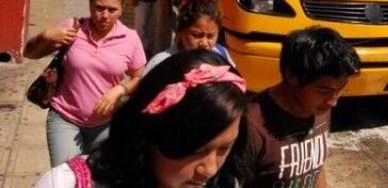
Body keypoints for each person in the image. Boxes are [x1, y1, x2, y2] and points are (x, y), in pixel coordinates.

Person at [35, 49, 249, 188]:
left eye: (224, 149)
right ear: (150, 133)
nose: (209, 169)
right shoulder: (66, 184)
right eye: (195, 150)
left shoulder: (227, 182)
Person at [24, 0, 147, 167]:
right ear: (90, 5)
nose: (104, 15)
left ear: (122, 9)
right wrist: (45, 35)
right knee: (67, 179)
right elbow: (29, 53)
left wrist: (121, 90)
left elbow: (139, 76)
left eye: (112, 10)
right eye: (99, 8)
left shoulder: (130, 38)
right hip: (65, 119)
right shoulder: (73, 28)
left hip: (105, 126)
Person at [242, 26, 361, 187]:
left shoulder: (319, 108)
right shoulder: (250, 125)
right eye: (324, 90)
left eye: (340, 89)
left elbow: (316, 167)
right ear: (291, 76)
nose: (333, 101)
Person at [144, 0, 233, 76]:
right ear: (180, 32)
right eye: (197, 35)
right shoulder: (161, 64)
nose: (204, 43)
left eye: (210, 36)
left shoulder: (222, 56)